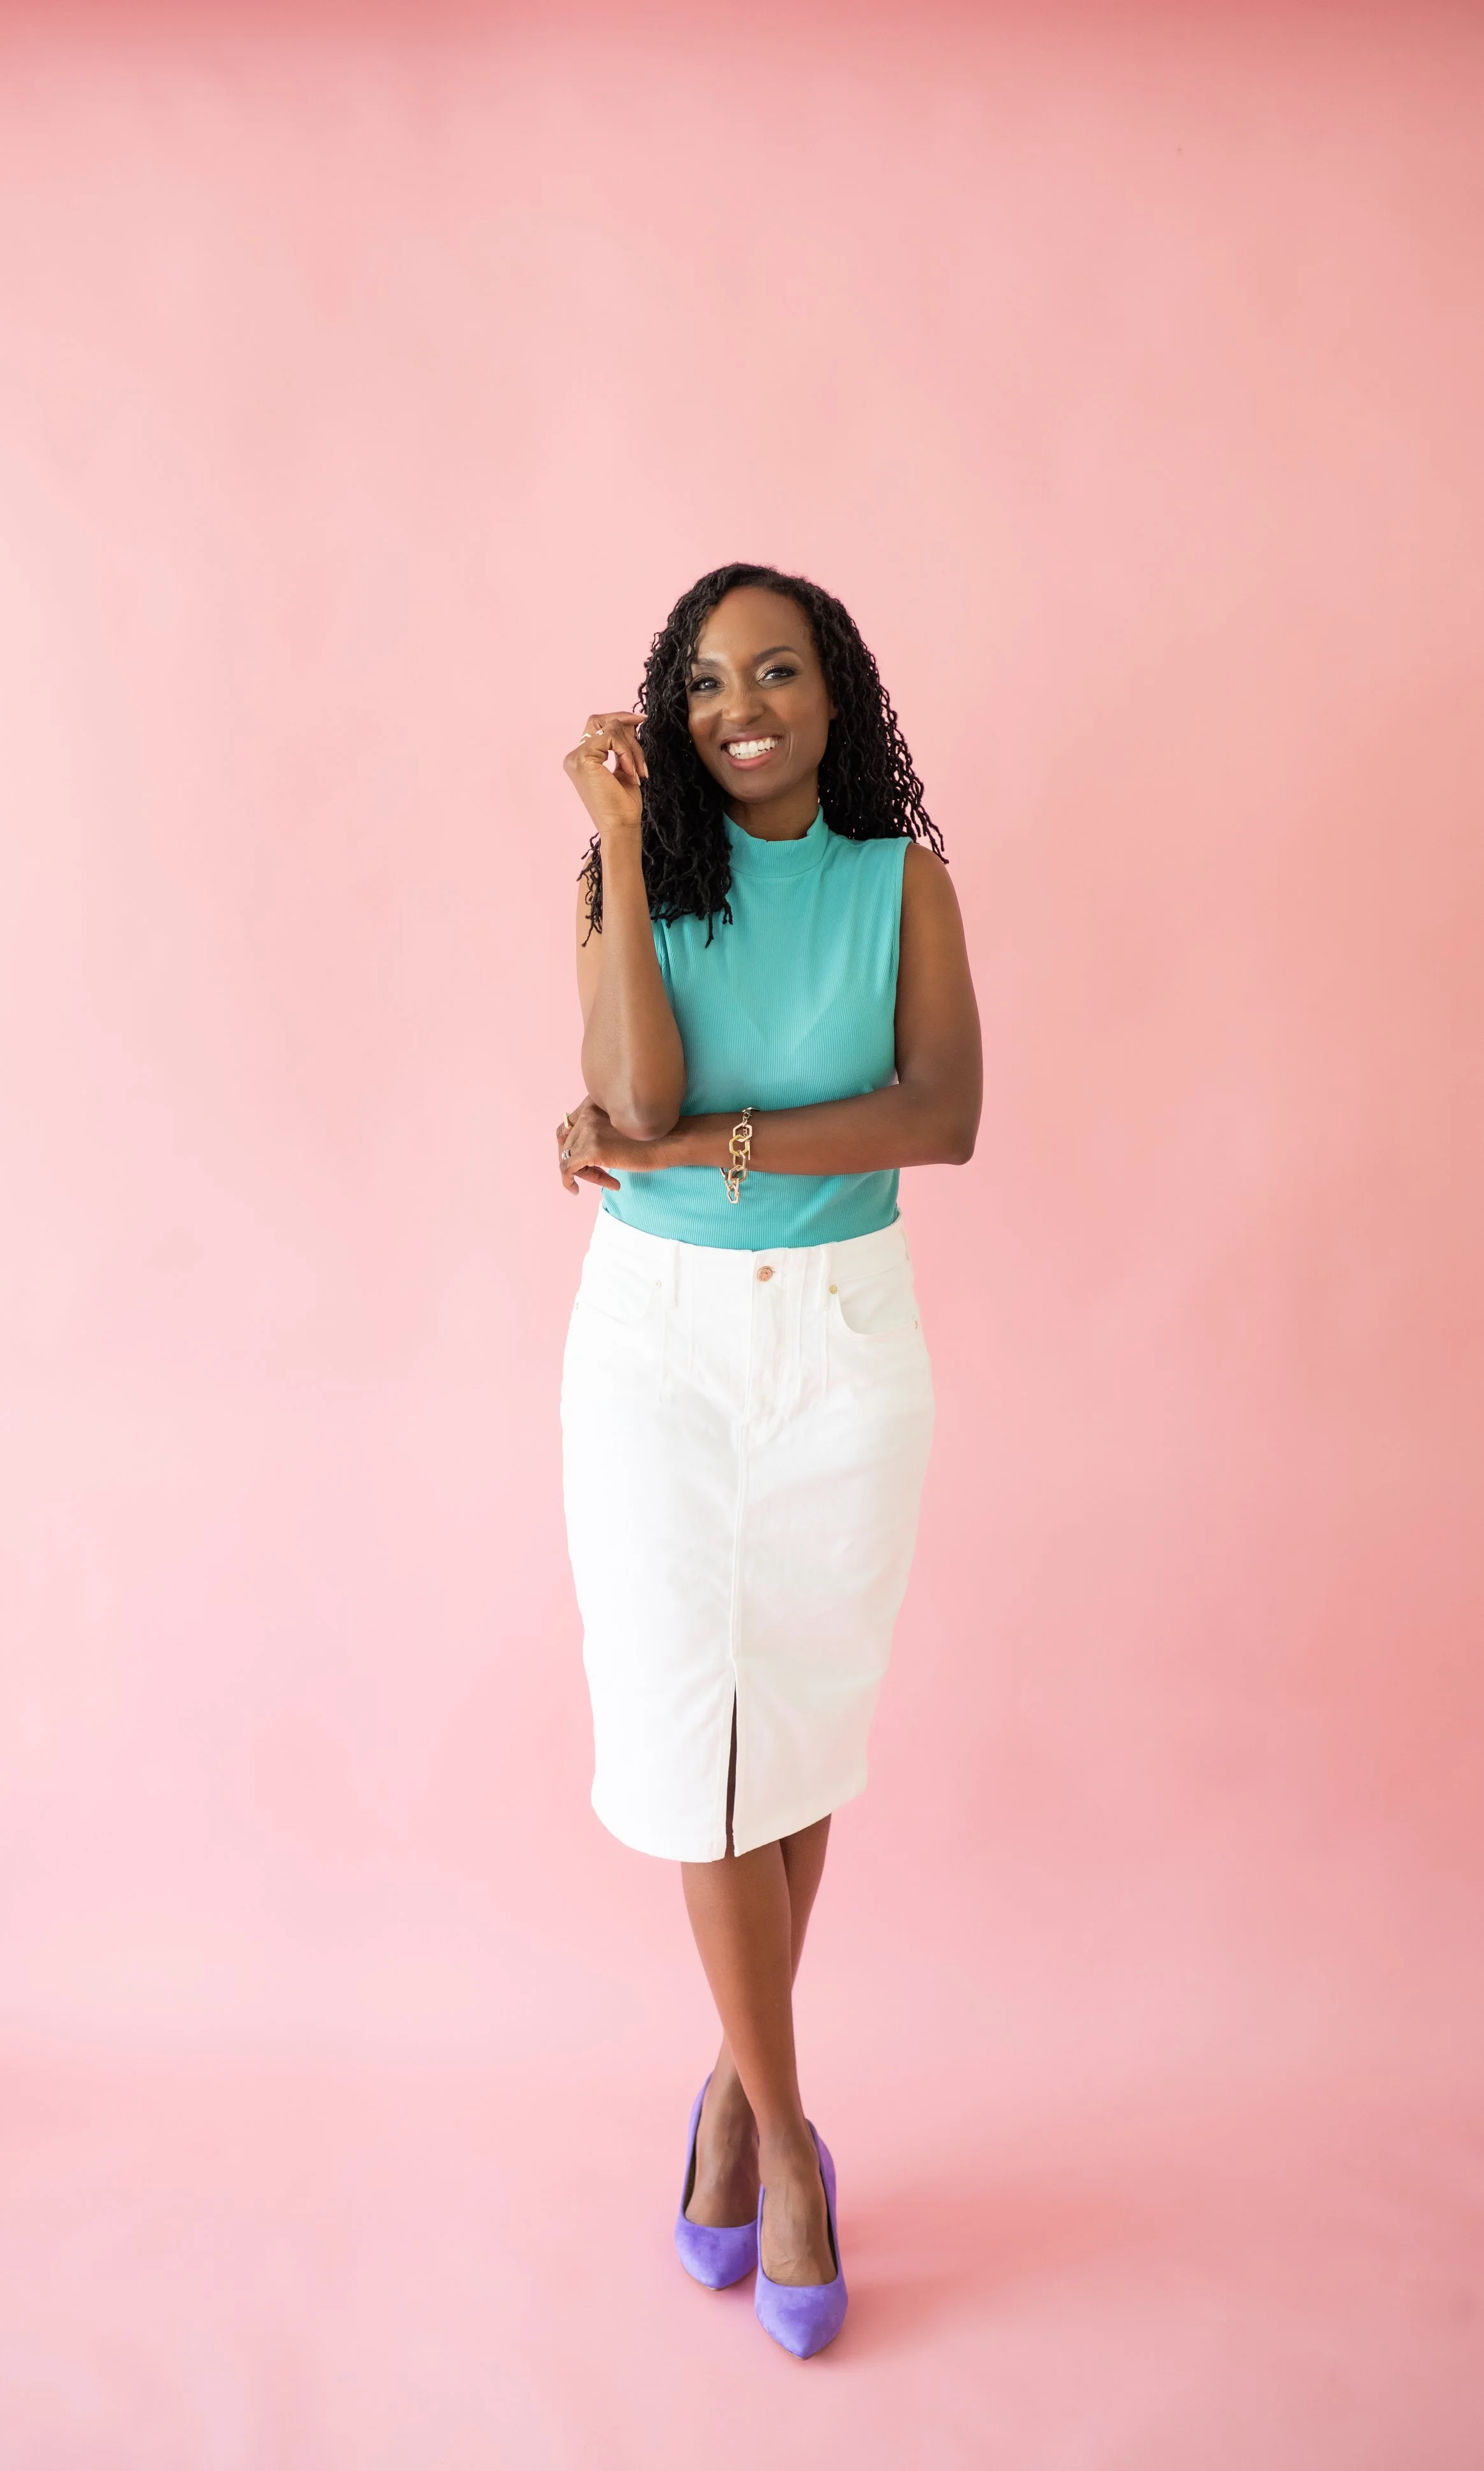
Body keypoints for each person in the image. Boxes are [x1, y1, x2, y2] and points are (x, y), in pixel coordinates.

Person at [556, 563, 982, 2357]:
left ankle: (734, 2099)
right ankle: (789, 2146)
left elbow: (939, 1116)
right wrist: (616, 846)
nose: (743, 708)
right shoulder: (633, 878)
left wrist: (708, 1148)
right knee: (695, 1737)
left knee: (792, 1727)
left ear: (835, 695)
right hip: (655, 1347)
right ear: (674, 711)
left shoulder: (902, 886)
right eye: (707, 681)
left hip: (842, 1342)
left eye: (779, 671)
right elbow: (633, 1108)